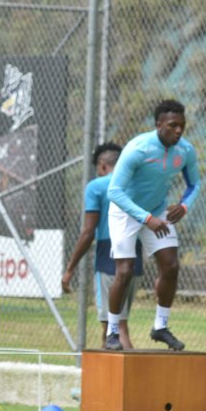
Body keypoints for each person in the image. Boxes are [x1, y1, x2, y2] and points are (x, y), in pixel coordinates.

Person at [105, 99, 200, 351]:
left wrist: (184, 205)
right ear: (159, 125)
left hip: (158, 210)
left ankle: (160, 327)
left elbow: (194, 185)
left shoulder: (185, 151)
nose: (178, 131)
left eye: (182, 125)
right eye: (172, 125)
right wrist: (147, 219)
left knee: (171, 266)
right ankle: (112, 331)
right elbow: (114, 192)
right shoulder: (138, 149)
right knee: (124, 271)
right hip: (126, 211)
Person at [62, 142, 141, 349]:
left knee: (115, 328)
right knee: (117, 324)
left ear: (102, 165)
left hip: (109, 256)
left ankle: (127, 380)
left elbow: (88, 232)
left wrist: (70, 269)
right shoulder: (134, 184)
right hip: (135, 255)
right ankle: (110, 380)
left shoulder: (97, 186)